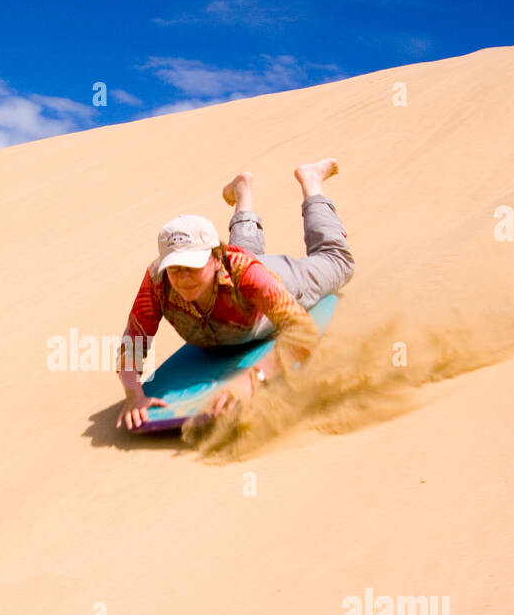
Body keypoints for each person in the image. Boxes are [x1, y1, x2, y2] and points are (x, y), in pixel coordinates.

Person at [115, 159, 354, 431]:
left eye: (192, 267)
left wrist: (251, 380)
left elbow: (301, 329)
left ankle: (311, 182)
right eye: (176, 269)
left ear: (216, 259)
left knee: (339, 264)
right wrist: (133, 393)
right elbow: (132, 342)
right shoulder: (158, 281)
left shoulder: (246, 272)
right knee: (244, 253)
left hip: (272, 286)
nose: (183, 278)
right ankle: (243, 191)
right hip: (230, 310)